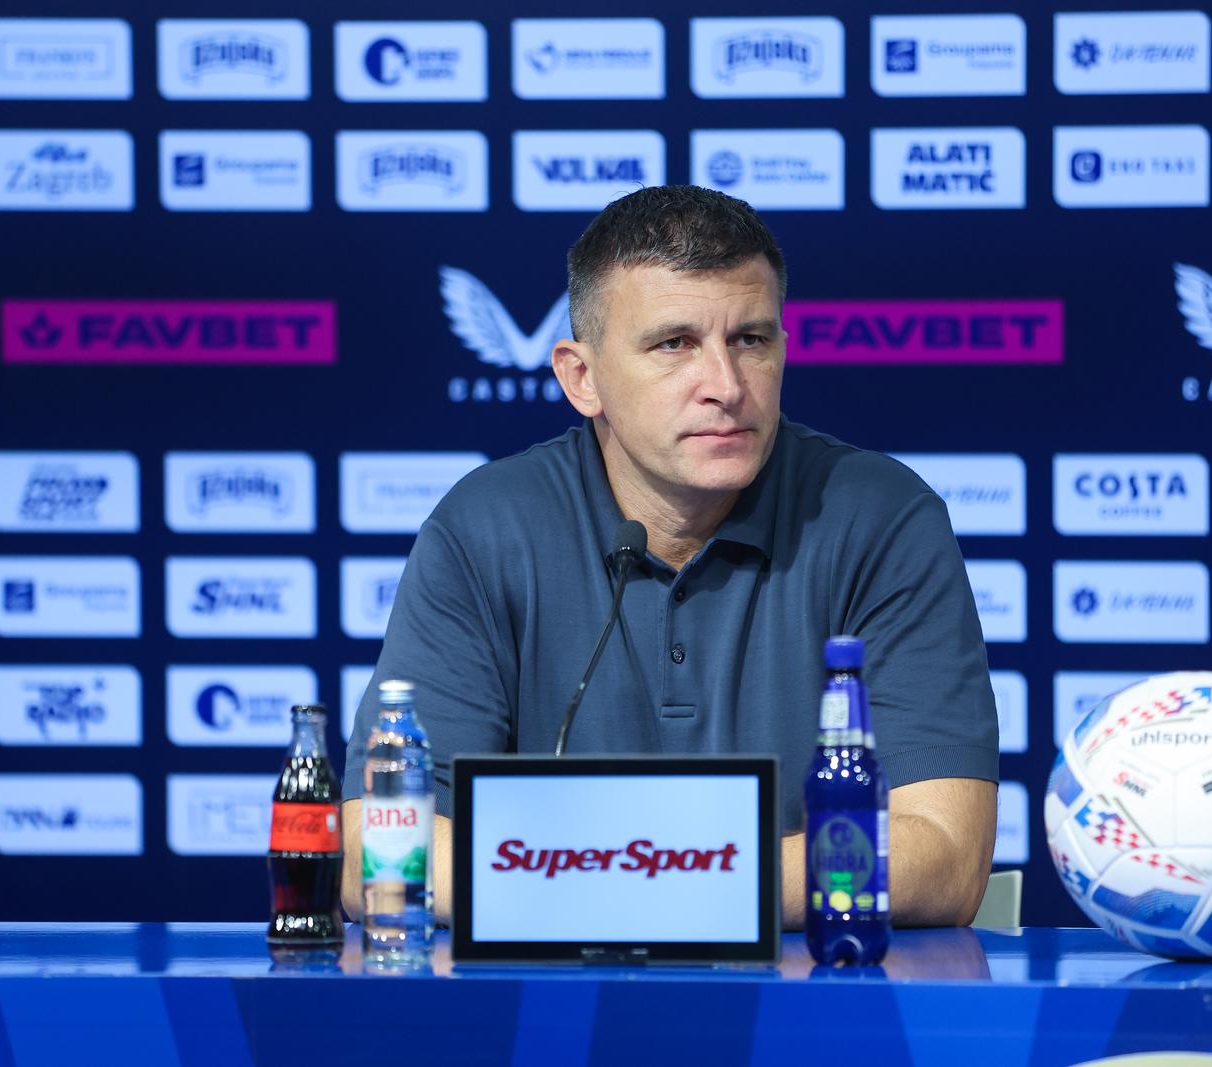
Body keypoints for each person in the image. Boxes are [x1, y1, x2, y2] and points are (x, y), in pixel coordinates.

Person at [342, 185, 997, 928]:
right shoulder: (484, 527)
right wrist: (678, 878)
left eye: (751, 339)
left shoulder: (882, 518)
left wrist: (622, 877)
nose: (725, 385)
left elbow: (943, 855)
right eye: (673, 343)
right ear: (580, 377)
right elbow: (377, 848)